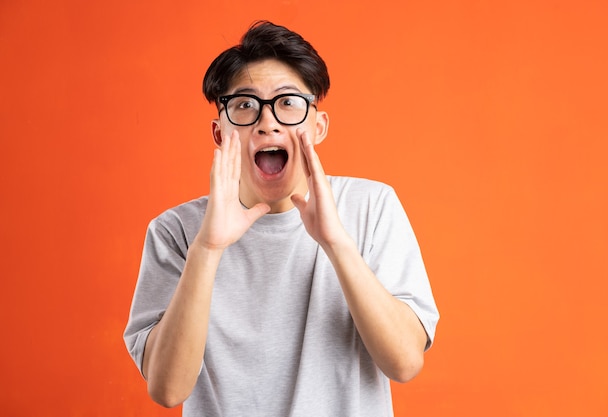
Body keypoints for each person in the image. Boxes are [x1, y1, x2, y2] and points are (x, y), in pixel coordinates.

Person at [124, 20, 439, 417]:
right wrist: (207, 248)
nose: (267, 121)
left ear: (318, 126)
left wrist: (336, 243)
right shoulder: (175, 232)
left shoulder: (371, 207)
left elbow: (405, 362)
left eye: (288, 103)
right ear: (220, 133)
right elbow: (168, 389)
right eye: (244, 105)